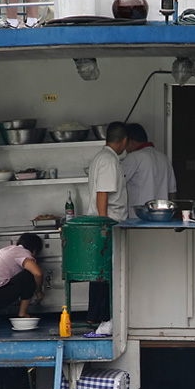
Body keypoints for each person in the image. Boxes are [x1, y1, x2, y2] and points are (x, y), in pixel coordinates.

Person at [84, 121, 128, 324]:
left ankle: (97, 316)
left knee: (101, 273)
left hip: (104, 223)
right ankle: (100, 317)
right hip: (107, 224)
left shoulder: (101, 157)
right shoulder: (109, 161)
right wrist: (105, 225)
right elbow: (103, 194)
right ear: (124, 140)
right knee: (104, 273)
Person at [122, 123, 177, 218]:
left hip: (138, 218)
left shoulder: (133, 157)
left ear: (130, 142)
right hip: (162, 218)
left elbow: (116, 183)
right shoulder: (164, 158)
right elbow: (172, 192)